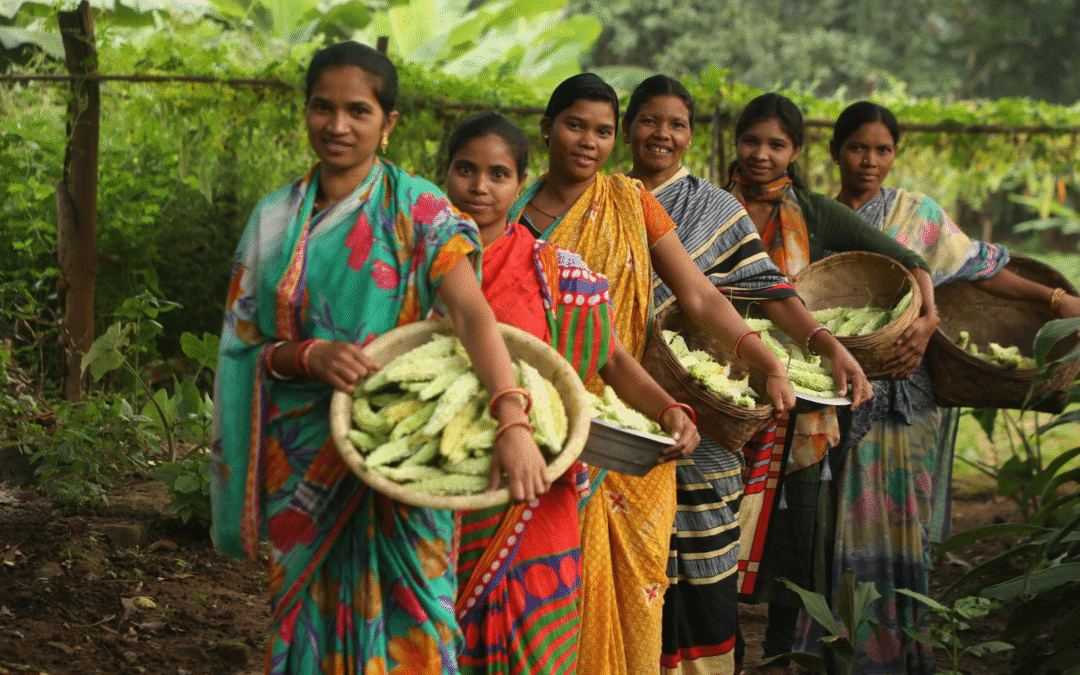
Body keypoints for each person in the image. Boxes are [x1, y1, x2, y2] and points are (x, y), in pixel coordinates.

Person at [210, 42, 550, 675]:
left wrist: (513, 418)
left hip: (403, 454)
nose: (337, 125)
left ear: (387, 122)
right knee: (304, 620)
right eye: (323, 107)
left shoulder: (421, 211)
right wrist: (308, 356)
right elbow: (246, 347)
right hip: (306, 463)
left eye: (358, 110)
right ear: (306, 111)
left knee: (416, 623)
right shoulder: (272, 222)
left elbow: (474, 315)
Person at [512, 73, 797, 675]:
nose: (589, 142)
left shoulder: (628, 201)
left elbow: (698, 294)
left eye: (602, 131)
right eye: (574, 125)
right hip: (529, 417)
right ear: (546, 125)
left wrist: (767, 359)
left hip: (622, 423)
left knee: (634, 580)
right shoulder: (511, 208)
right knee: (539, 589)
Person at [788, 100, 1080, 675]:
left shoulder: (915, 214)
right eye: (857, 148)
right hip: (834, 393)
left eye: (883, 150)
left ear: (895, 155)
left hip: (908, 396)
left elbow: (980, 268)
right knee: (831, 522)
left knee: (903, 521)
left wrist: (1055, 301)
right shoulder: (814, 219)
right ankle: (840, 652)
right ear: (834, 152)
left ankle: (898, 652)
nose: (870, 161)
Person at [621, 74, 872, 675]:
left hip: (704, 408)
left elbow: (767, 290)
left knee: (705, 555)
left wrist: (826, 345)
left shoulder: (714, 208)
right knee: (624, 554)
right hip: (614, 405)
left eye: (676, 124)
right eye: (650, 120)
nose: (663, 133)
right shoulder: (597, 199)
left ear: (690, 136)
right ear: (627, 128)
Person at [443, 110, 701, 675]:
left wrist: (668, 409)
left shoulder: (554, 272)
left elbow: (610, 358)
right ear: (444, 175)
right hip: (441, 487)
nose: (480, 187)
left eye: (498, 174)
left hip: (537, 491)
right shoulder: (413, 268)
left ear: (519, 184)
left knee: (536, 651)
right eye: (465, 170)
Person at [724, 92, 937, 675]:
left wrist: (928, 318)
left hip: (802, 400)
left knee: (797, 531)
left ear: (796, 151)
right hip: (723, 385)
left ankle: (781, 657)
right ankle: (726, 650)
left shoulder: (813, 213)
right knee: (718, 522)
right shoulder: (711, 206)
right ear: (736, 144)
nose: (762, 155)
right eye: (752, 142)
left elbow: (910, 264)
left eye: (777, 145)